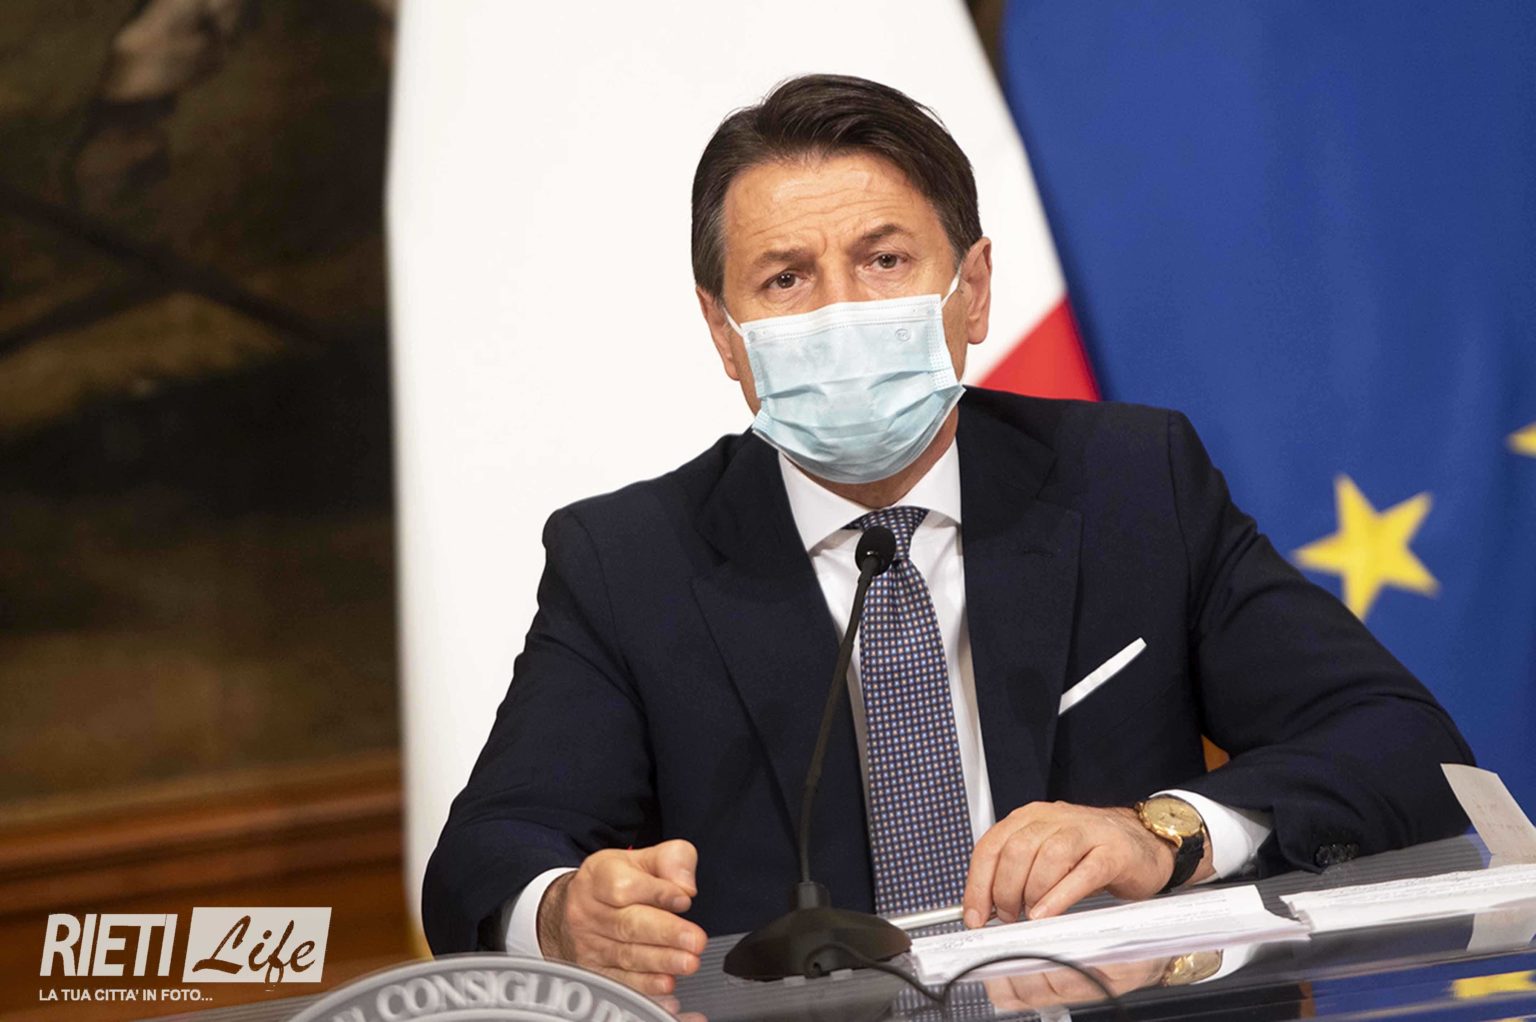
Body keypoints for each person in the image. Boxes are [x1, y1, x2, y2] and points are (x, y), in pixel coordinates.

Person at [421, 74, 1473, 998]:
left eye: (883, 259)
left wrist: (1161, 831)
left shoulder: (1132, 483)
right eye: (785, 278)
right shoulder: (630, 561)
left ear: (971, 290)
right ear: (723, 335)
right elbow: (483, 858)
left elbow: (1401, 742)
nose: (839, 312)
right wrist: (562, 912)